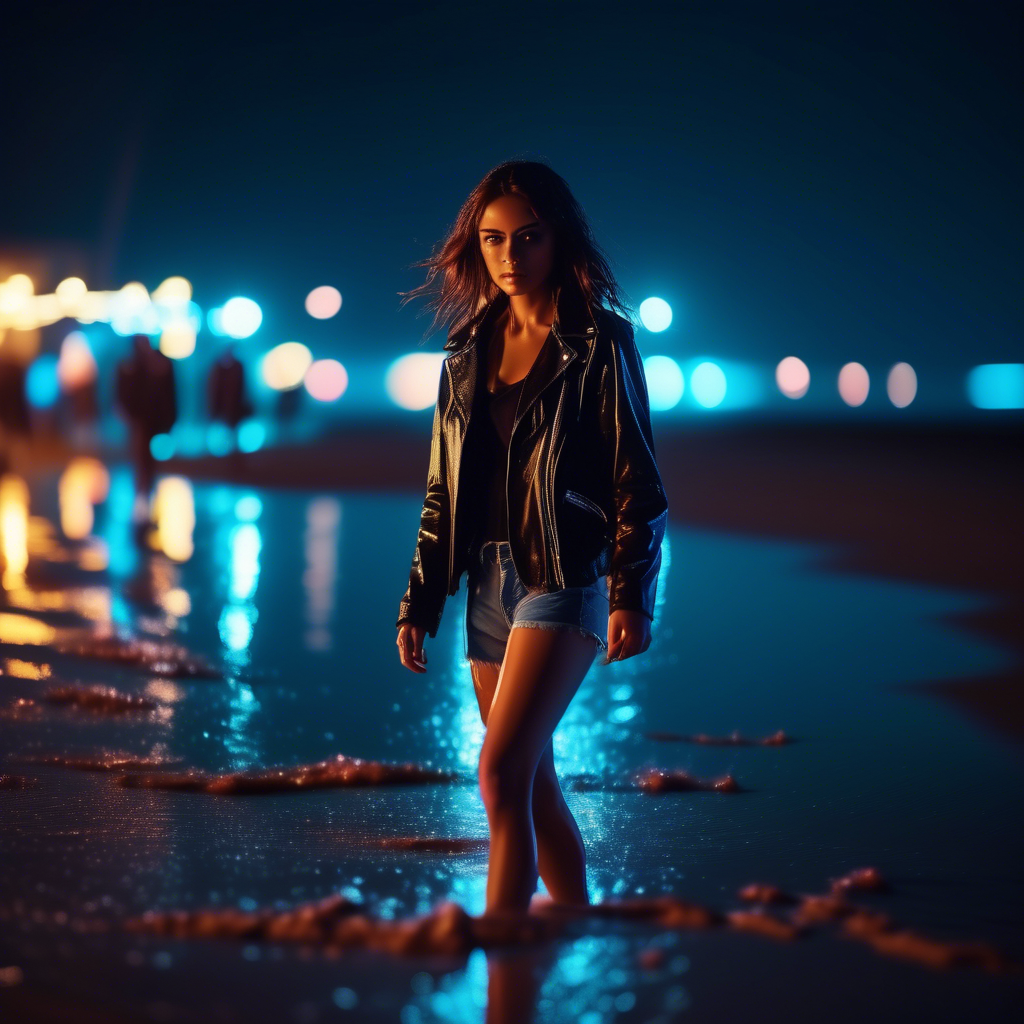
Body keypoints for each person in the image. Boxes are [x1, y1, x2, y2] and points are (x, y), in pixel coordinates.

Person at [395, 161, 668, 917]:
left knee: (499, 769)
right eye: (493, 240)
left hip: (563, 577)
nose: (509, 256)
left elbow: (637, 482)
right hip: (485, 584)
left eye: (527, 237)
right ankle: (574, 927)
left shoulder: (600, 344)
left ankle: (503, 944)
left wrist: (630, 595)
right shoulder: (463, 352)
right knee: (532, 778)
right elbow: (442, 493)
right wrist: (419, 602)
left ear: (558, 240)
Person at [115, 333, 177, 519]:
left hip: (154, 419)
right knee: (139, 456)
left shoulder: (159, 363)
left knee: (149, 457)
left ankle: (147, 490)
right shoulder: (129, 364)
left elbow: (168, 392)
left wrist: (169, 419)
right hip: (137, 419)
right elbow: (122, 391)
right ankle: (142, 492)